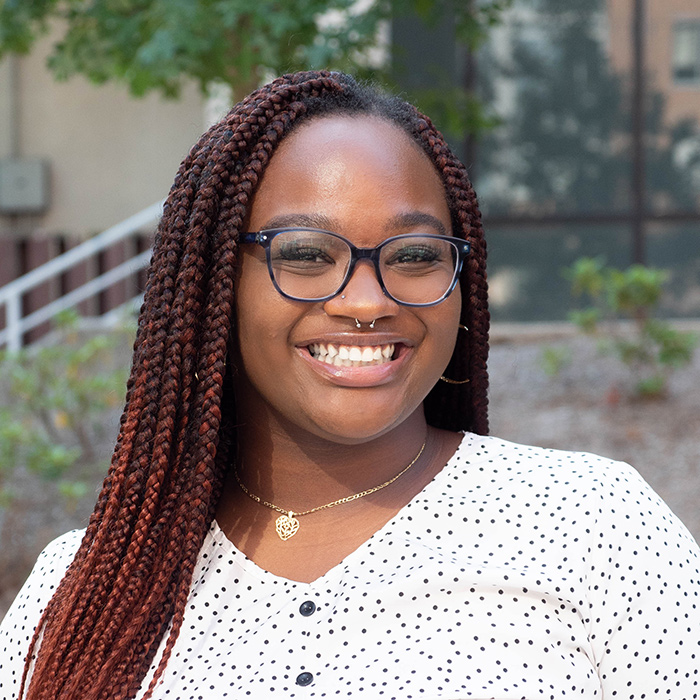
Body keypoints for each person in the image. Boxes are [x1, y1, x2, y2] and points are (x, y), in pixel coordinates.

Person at [1, 70, 698, 700]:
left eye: (416, 255)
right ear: (216, 285)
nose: (366, 302)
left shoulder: (593, 528)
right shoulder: (85, 592)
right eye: (306, 254)